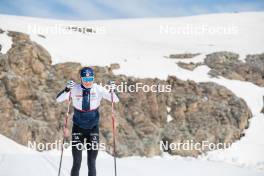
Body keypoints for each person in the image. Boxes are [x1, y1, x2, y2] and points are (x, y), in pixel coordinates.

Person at [56, 66, 119, 176]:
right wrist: (66, 89)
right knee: (77, 162)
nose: (88, 82)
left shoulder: (98, 88)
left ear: (93, 79)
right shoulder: (75, 88)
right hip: (78, 129)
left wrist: (113, 90)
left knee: (92, 162)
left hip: (93, 129)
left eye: (90, 80)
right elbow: (58, 99)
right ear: (81, 79)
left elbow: (115, 100)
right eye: (85, 80)